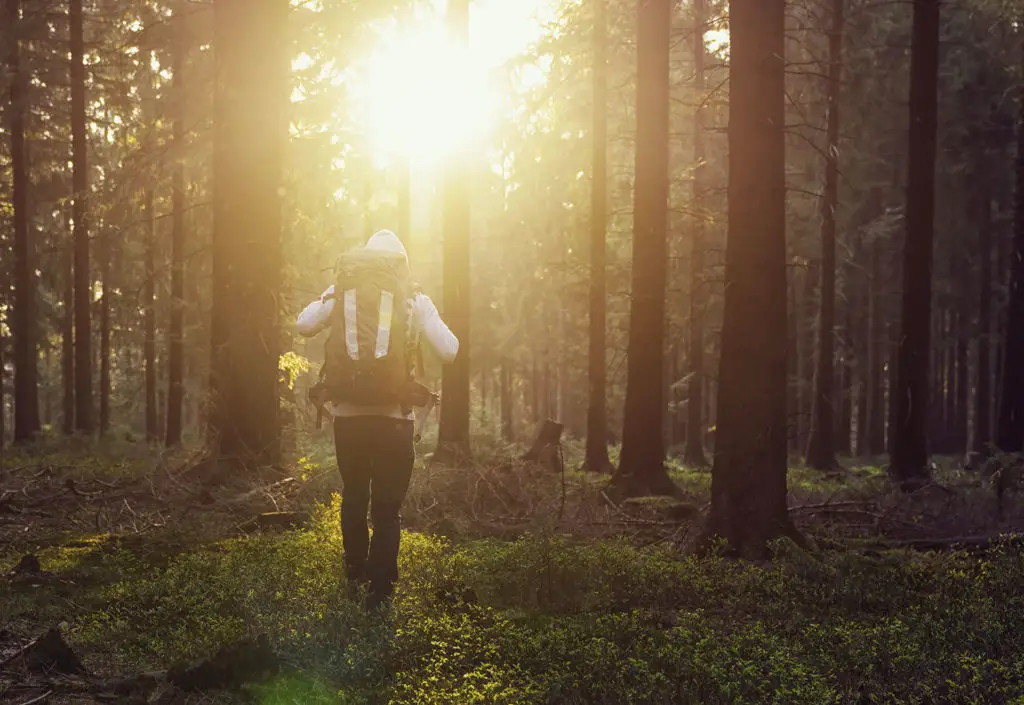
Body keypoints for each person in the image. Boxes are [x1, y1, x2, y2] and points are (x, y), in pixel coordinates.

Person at [296, 230, 459, 609]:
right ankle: (380, 594)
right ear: (401, 265)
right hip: (395, 421)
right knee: (387, 508)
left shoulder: (342, 292)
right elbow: (450, 350)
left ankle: (354, 578)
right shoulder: (414, 298)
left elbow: (303, 324)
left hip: (348, 419)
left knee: (354, 497)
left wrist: (332, 295)